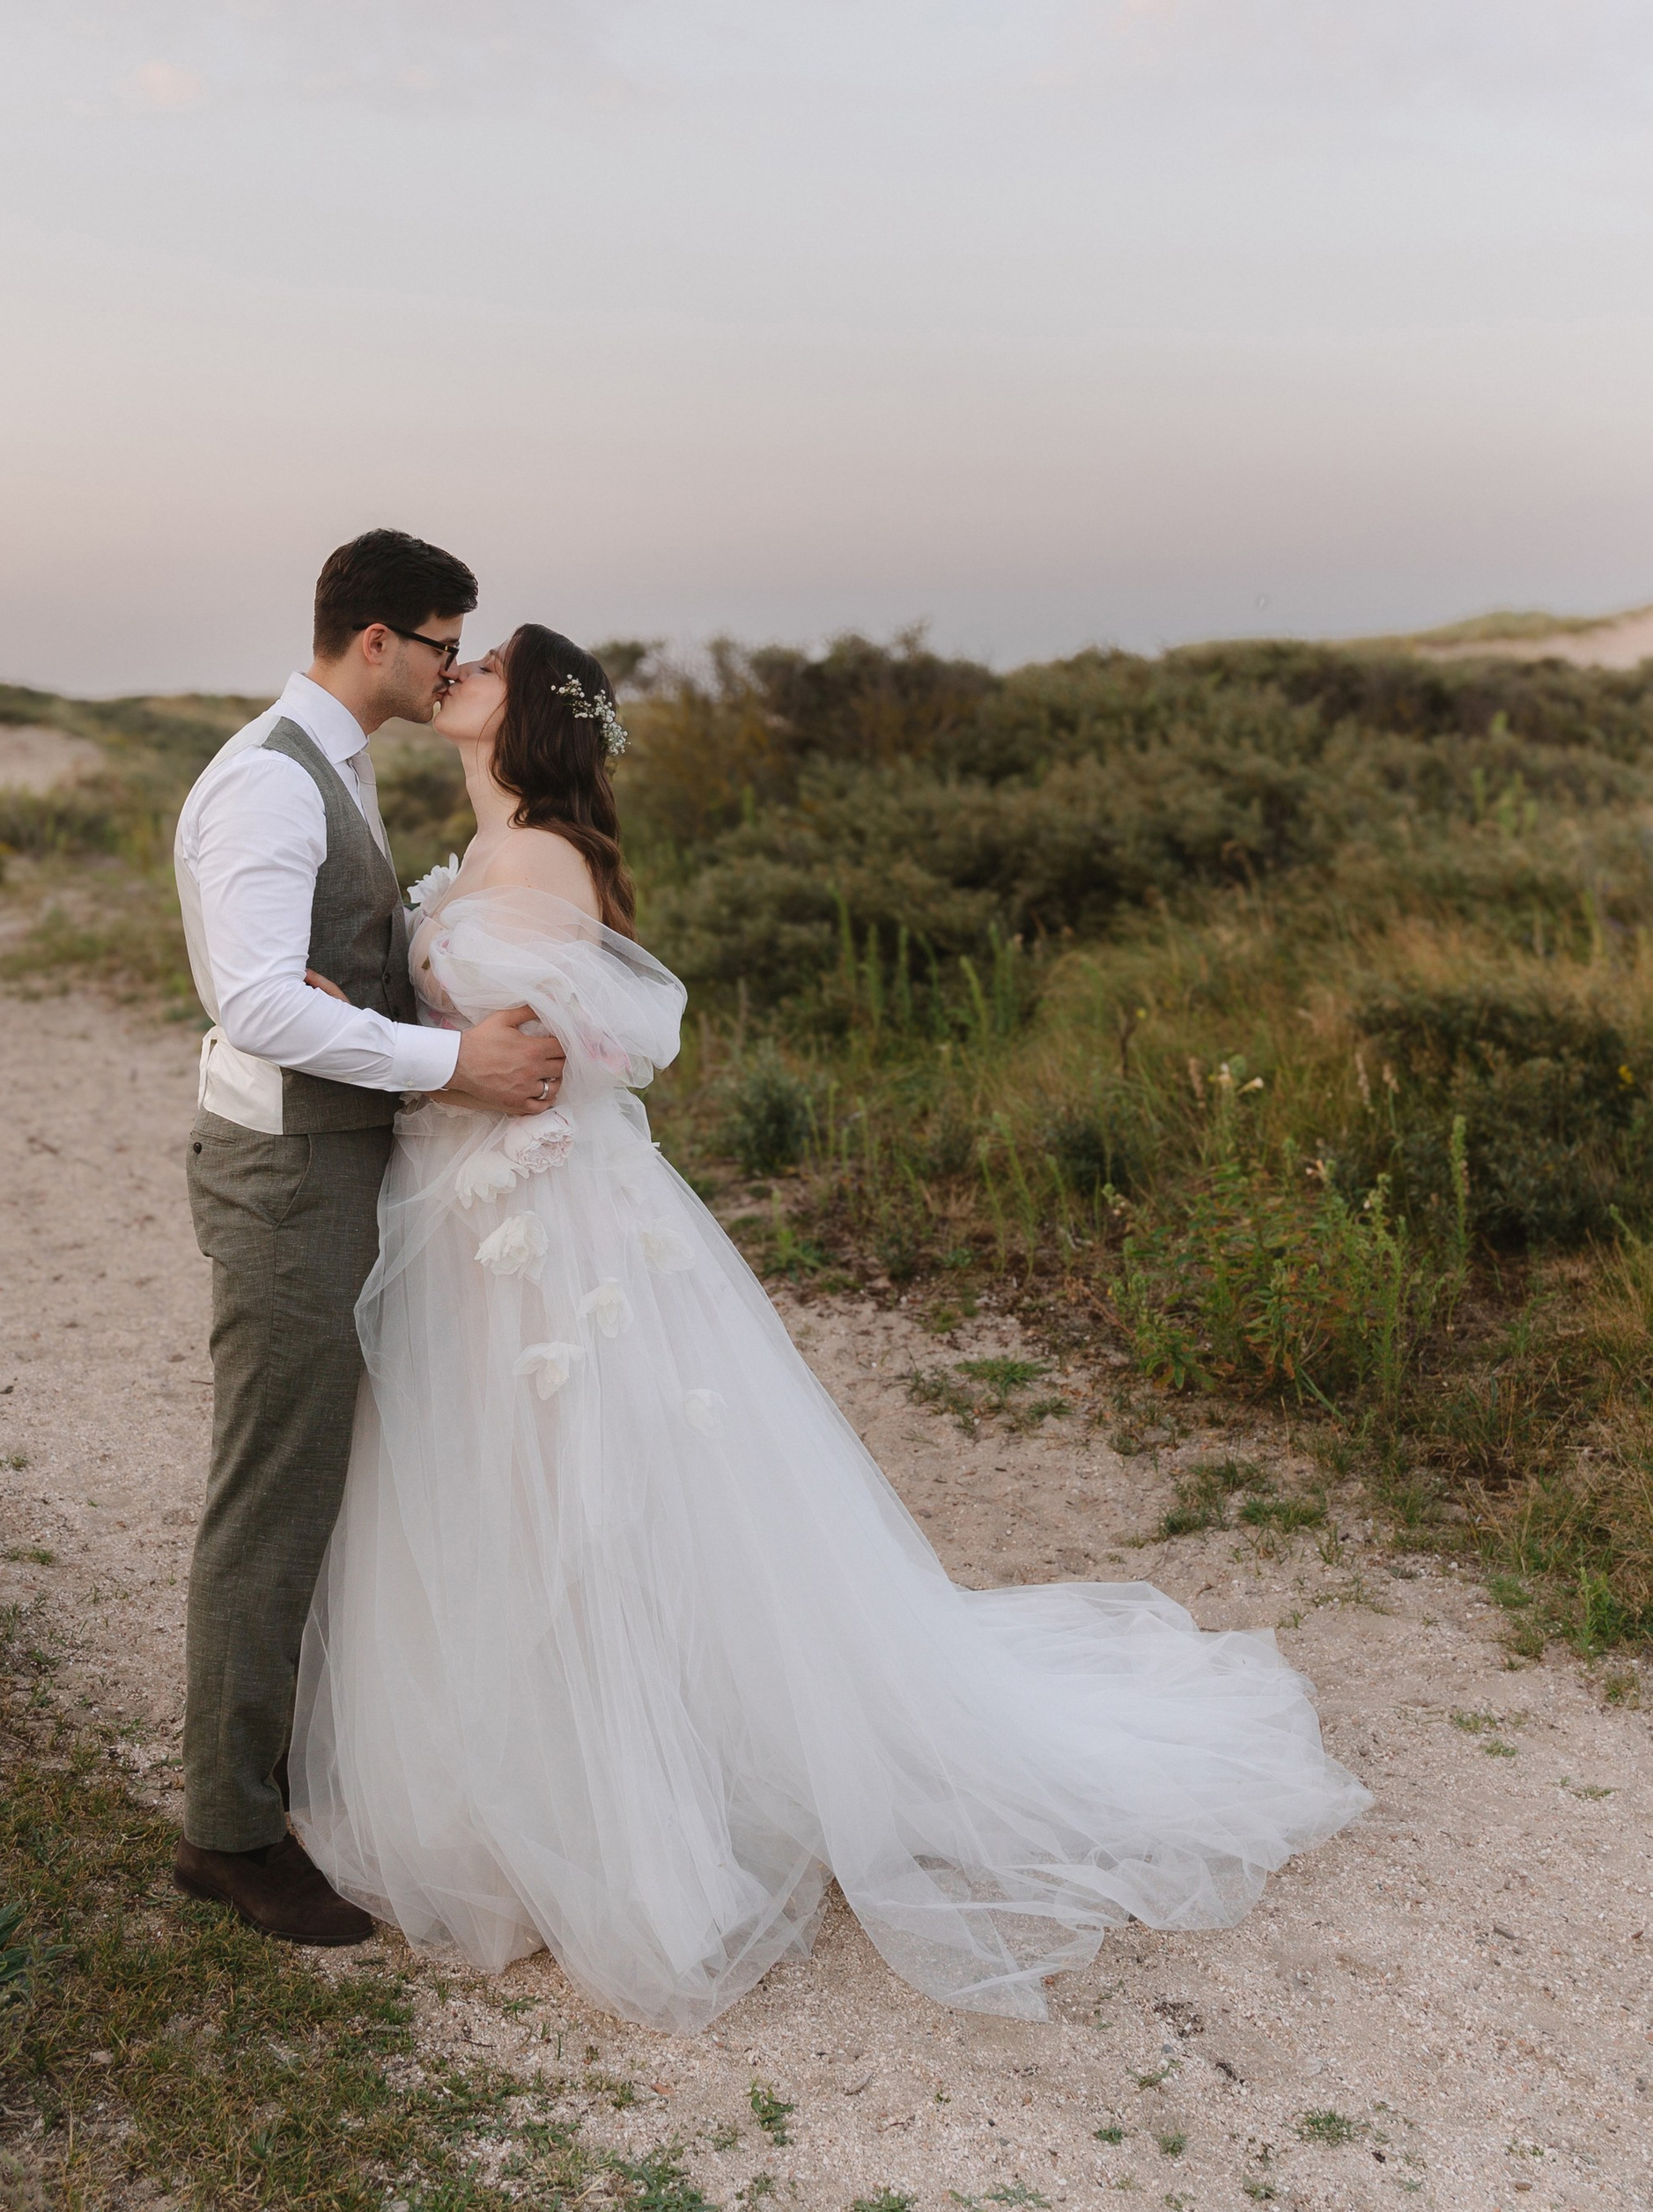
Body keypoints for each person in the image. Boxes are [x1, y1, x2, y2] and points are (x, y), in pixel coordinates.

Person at [286, 623, 1369, 2030]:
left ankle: (628, 1841)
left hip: (531, 1225)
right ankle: (533, 1804)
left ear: (529, 716)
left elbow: (538, 1072)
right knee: (510, 1499)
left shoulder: (539, 858)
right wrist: (376, 1019)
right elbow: (479, 1040)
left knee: (569, 1501)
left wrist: (392, 1046)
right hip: (478, 1216)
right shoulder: (498, 851)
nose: (459, 671)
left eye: (485, 663)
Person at [170, 529, 565, 1944]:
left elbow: (295, 980)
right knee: (273, 1489)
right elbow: (264, 1008)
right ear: (379, 641)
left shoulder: (323, 763)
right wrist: (443, 1062)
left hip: (333, 1162)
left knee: (323, 1481)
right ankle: (227, 1833)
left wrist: (399, 1015)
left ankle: (282, 1771)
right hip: (288, 1179)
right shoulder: (273, 786)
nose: (459, 665)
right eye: (446, 643)